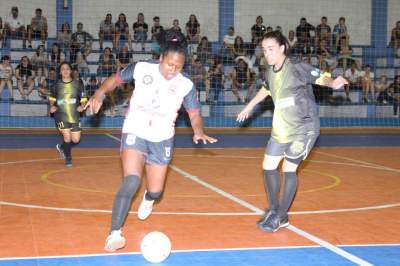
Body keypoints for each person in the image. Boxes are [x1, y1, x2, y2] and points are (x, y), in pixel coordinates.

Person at [85, 29, 217, 252]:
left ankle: (149, 198)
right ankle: (115, 233)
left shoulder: (186, 85)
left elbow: (194, 114)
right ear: (161, 58)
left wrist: (198, 130)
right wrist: (99, 94)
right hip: (135, 130)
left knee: (156, 191)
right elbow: (115, 80)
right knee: (132, 181)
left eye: (178, 67)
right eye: (169, 65)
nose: (172, 70)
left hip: (162, 138)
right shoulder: (141, 68)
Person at [237, 31, 348, 233]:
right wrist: (249, 106)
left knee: (289, 168)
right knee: (268, 166)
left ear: (281, 48)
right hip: (281, 128)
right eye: (264, 50)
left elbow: (319, 76)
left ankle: (280, 216)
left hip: (304, 128)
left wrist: (333, 82)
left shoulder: (296, 67)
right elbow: (266, 89)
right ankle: (274, 210)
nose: (267, 53)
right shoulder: (270, 71)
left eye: (270, 49)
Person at [49, 62, 87, 167]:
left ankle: (62, 147)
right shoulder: (56, 85)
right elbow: (52, 98)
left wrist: (82, 106)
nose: (65, 71)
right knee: (67, 137)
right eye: (63, 69)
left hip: (74, 114)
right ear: (60, 72)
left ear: (71, 71)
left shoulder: (78, 83)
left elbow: (83, 99)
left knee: (76, 140)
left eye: (67, 69)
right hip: (60, 114)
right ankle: (68, 158)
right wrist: (52, 106)